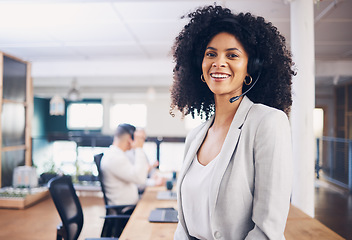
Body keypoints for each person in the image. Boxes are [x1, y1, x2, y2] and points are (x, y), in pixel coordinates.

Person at [170, 5, 294, 240]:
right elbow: (182, 226)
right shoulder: (195, 136)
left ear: (250, 69)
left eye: (232, 55)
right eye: (211, 54)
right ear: (201, 67)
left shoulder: (267, 122)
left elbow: (267, 230)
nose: (219, 62)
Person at [100, 123, 149, 205]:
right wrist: (139, 148)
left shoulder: (118, 154)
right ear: (131, 138)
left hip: (130, 205)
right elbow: (140, 179)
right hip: (125, 209)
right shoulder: (114, 158)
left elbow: (136, 176)